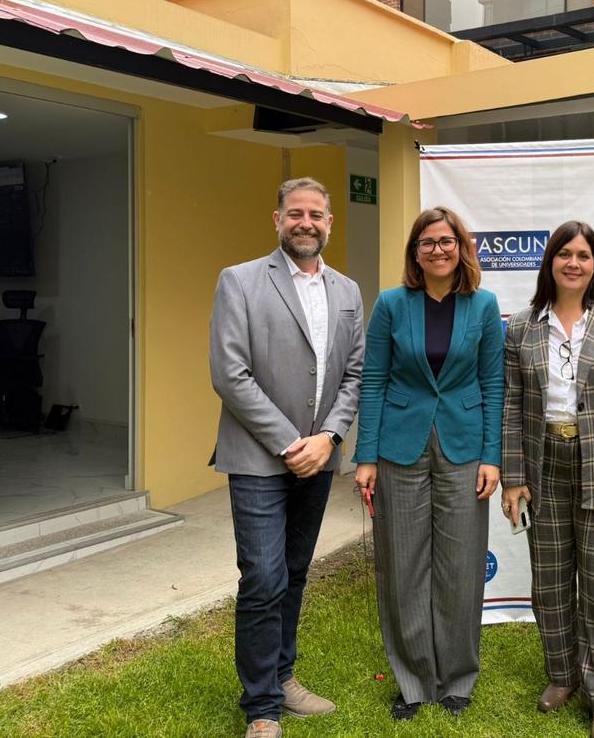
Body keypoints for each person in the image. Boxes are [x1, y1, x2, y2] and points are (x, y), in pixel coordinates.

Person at [209, 177, 364, 738]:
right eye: (295, 213)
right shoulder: (241, 281)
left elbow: (354, 373)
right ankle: (260, 707)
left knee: (294, 571)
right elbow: (230, 372)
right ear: (276, 220)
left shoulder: (348, 290)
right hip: (257, 457)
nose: (306, 222)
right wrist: (289, 441)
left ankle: (282, 676)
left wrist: (328, 437)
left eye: (316, 214)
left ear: (329, 223)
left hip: (318, 458)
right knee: (263, 575)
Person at [501, 221, 594, 738]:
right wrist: (513, 477)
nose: (573, 263)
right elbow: (511, 408)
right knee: (549, 583)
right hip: (544, 465)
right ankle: (562, 674)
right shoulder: (521, 326)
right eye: (564, 254)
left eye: (583, 255)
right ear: (549, 262)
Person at [353, 206, 504, 721]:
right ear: (415, 253)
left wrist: (492, 457)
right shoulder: (392, 305)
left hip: (464, 448)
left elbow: (493, 385)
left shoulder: (483, 306)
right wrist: (366, 455)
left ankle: (458, 678)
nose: (437, 250)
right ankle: (414, 681)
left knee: (461, 568)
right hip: (399, 446)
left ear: (461, 247)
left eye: (446, 241)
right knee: (404, 564)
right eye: (427, 243)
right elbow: (374, 380)